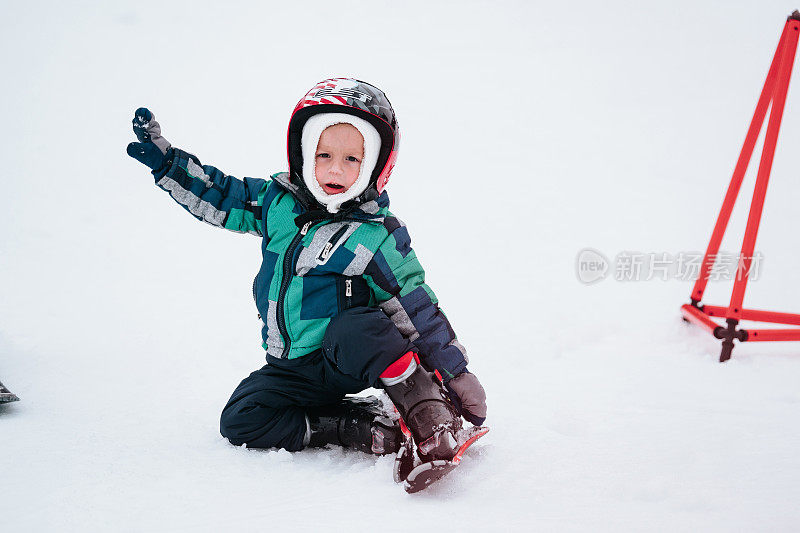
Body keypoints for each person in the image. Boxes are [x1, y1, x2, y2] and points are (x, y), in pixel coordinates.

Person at [126, 78, 487, 462]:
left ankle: (429, 415)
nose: (335, 169)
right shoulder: (277, 205)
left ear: (376, 167)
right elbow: (221, 194)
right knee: (239, 419)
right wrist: (169, 163)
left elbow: (414, 305)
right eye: (323, 155)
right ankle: (348, 425)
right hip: (293, 367)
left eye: (352, 159)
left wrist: (455, 372)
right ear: (302, 153)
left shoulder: (375, 235)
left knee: (360, 326)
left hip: (344, 359)